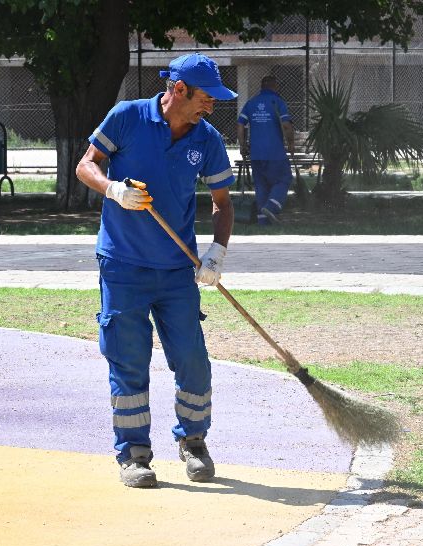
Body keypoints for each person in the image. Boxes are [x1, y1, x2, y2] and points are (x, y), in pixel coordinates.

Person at [75, 53, 236, 488]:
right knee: (128, 359)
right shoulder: (127, 117)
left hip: (176, 271)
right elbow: (85, 165)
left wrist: (216, 254)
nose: (212, 106)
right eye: (206, 97)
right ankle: (134, 454)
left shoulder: (208, 139)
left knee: (192, 358)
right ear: (178, 90)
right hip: (123, 265)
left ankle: (193, 442)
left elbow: (223, 204)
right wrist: (112, 189)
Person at [236, 75, 294, 225]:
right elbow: (287, 126)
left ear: (262, 87)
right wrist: (291, 144)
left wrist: (243, 146)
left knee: (261, 186)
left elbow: (240, 125)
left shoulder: (251, 103)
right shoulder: (278, 102)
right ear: (275, 86)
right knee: (284, 178)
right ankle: (272, 206)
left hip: (256, 154)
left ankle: (263, 222)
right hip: (275, 153)